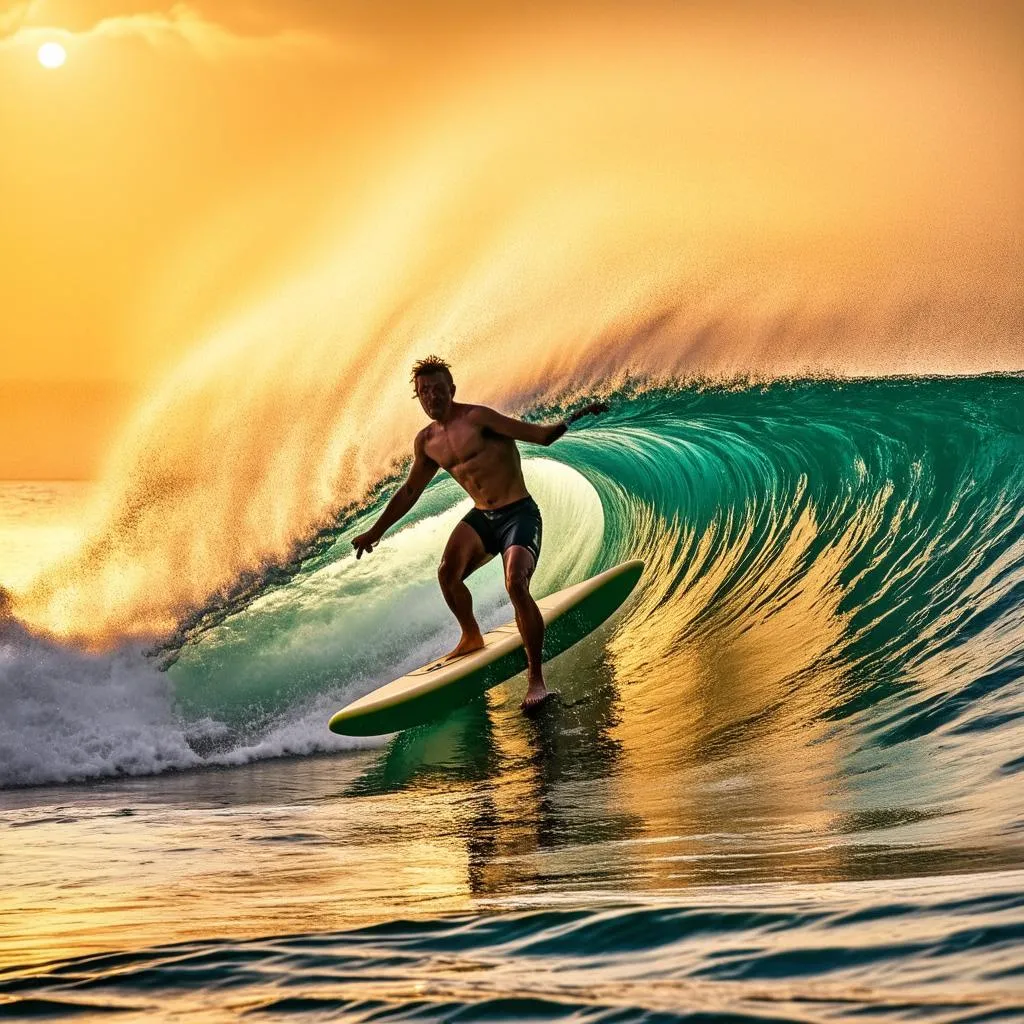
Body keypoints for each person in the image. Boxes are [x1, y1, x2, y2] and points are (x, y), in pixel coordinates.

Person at [352, 356, 608, 711]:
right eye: (423, 392)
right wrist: (374, 531)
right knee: (447, 573)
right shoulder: (426, 442)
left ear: (451, 390)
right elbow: (410, 491)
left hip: (519, 514)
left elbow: (542, 436)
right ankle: (471, 635)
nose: (431, 397)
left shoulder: (478, 419)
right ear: (418, 397)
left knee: (516, 583)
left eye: (438, 389)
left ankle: (536, 677)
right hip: (483, 517)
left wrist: (579, 413)